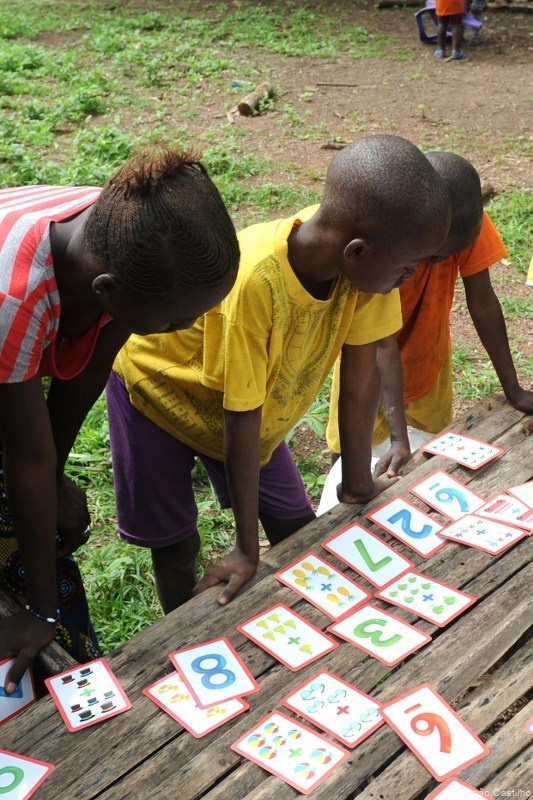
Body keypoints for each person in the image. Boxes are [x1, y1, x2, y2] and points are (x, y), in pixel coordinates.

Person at [106, 133, 450, 616]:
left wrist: (357, 481)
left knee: (296, 529)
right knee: (175, 541)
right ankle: (177, 636)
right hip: (158, 393)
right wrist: (247, 548)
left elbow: (359, 380)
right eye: (410, 267)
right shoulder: (255, 280)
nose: (411, 277)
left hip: (253, 415)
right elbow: (239, 417)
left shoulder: (373, 253)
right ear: (356, 252)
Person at [0, 147, 240, 693]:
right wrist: (39, 610)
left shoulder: (124, 240)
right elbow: (25, 456)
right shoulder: (15, 297)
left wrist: (56, 479)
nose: (189, 327)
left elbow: (79, 383)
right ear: (106, 291)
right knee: (22, 520)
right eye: (179, 319)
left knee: (40, 516)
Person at [320, 151, 533, 513]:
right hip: (364, 370)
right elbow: (380, 344)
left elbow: (482, 301)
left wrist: (514, 389)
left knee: (424, 462)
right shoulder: (386, 245)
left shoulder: (467, 224)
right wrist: (399, 437)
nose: (433, 264)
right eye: (432, 257)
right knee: (355, 455)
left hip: (430, 366)